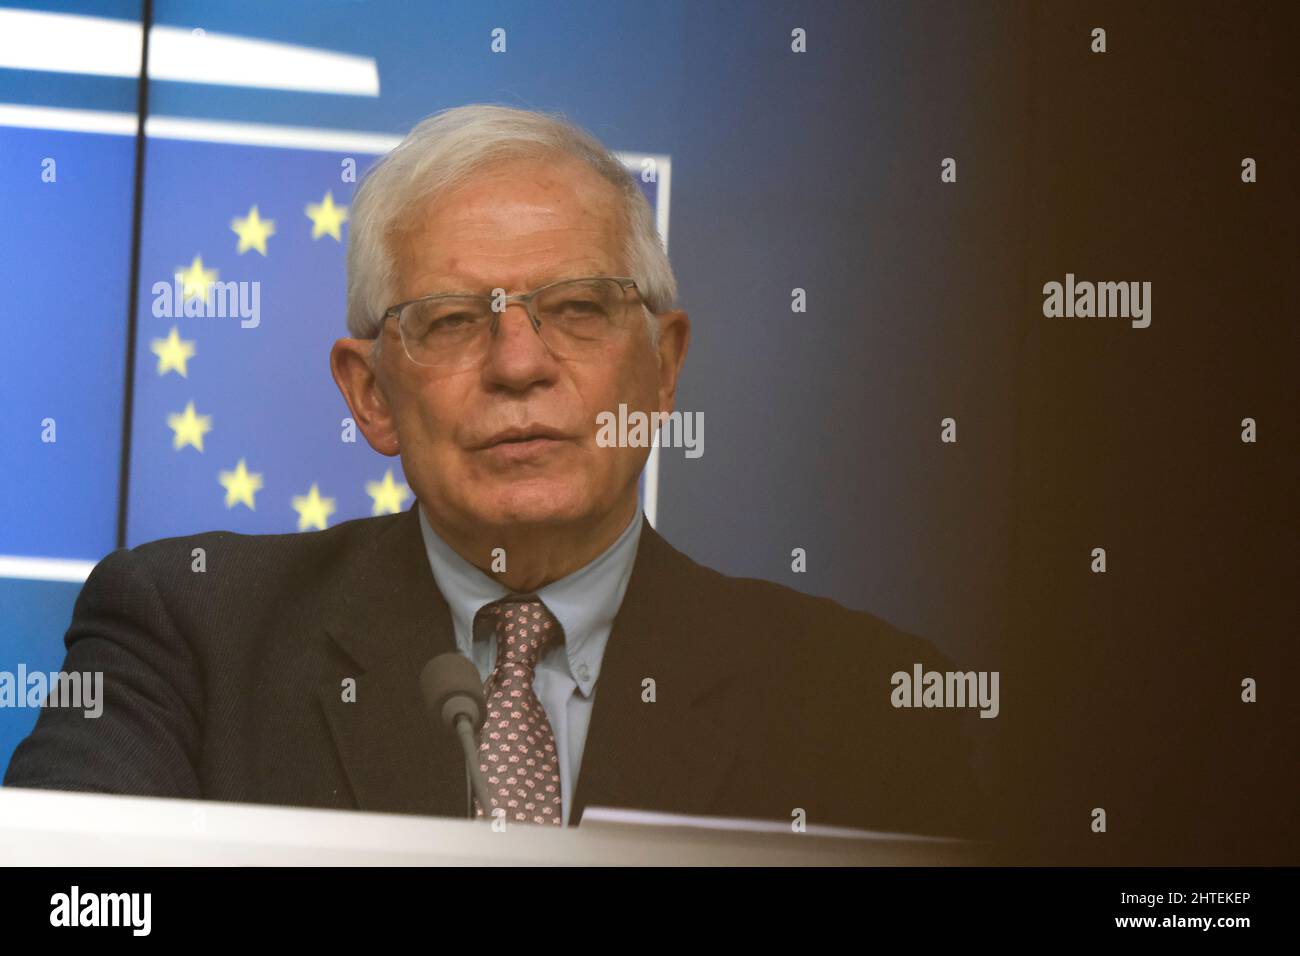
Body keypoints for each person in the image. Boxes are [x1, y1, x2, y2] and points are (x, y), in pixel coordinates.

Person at [5, 105, 986, 837]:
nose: (519, 364)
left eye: (578, 308)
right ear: (371, 395)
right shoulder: (191, 635)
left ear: (664, 364)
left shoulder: (862, 698)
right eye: (451, 320)